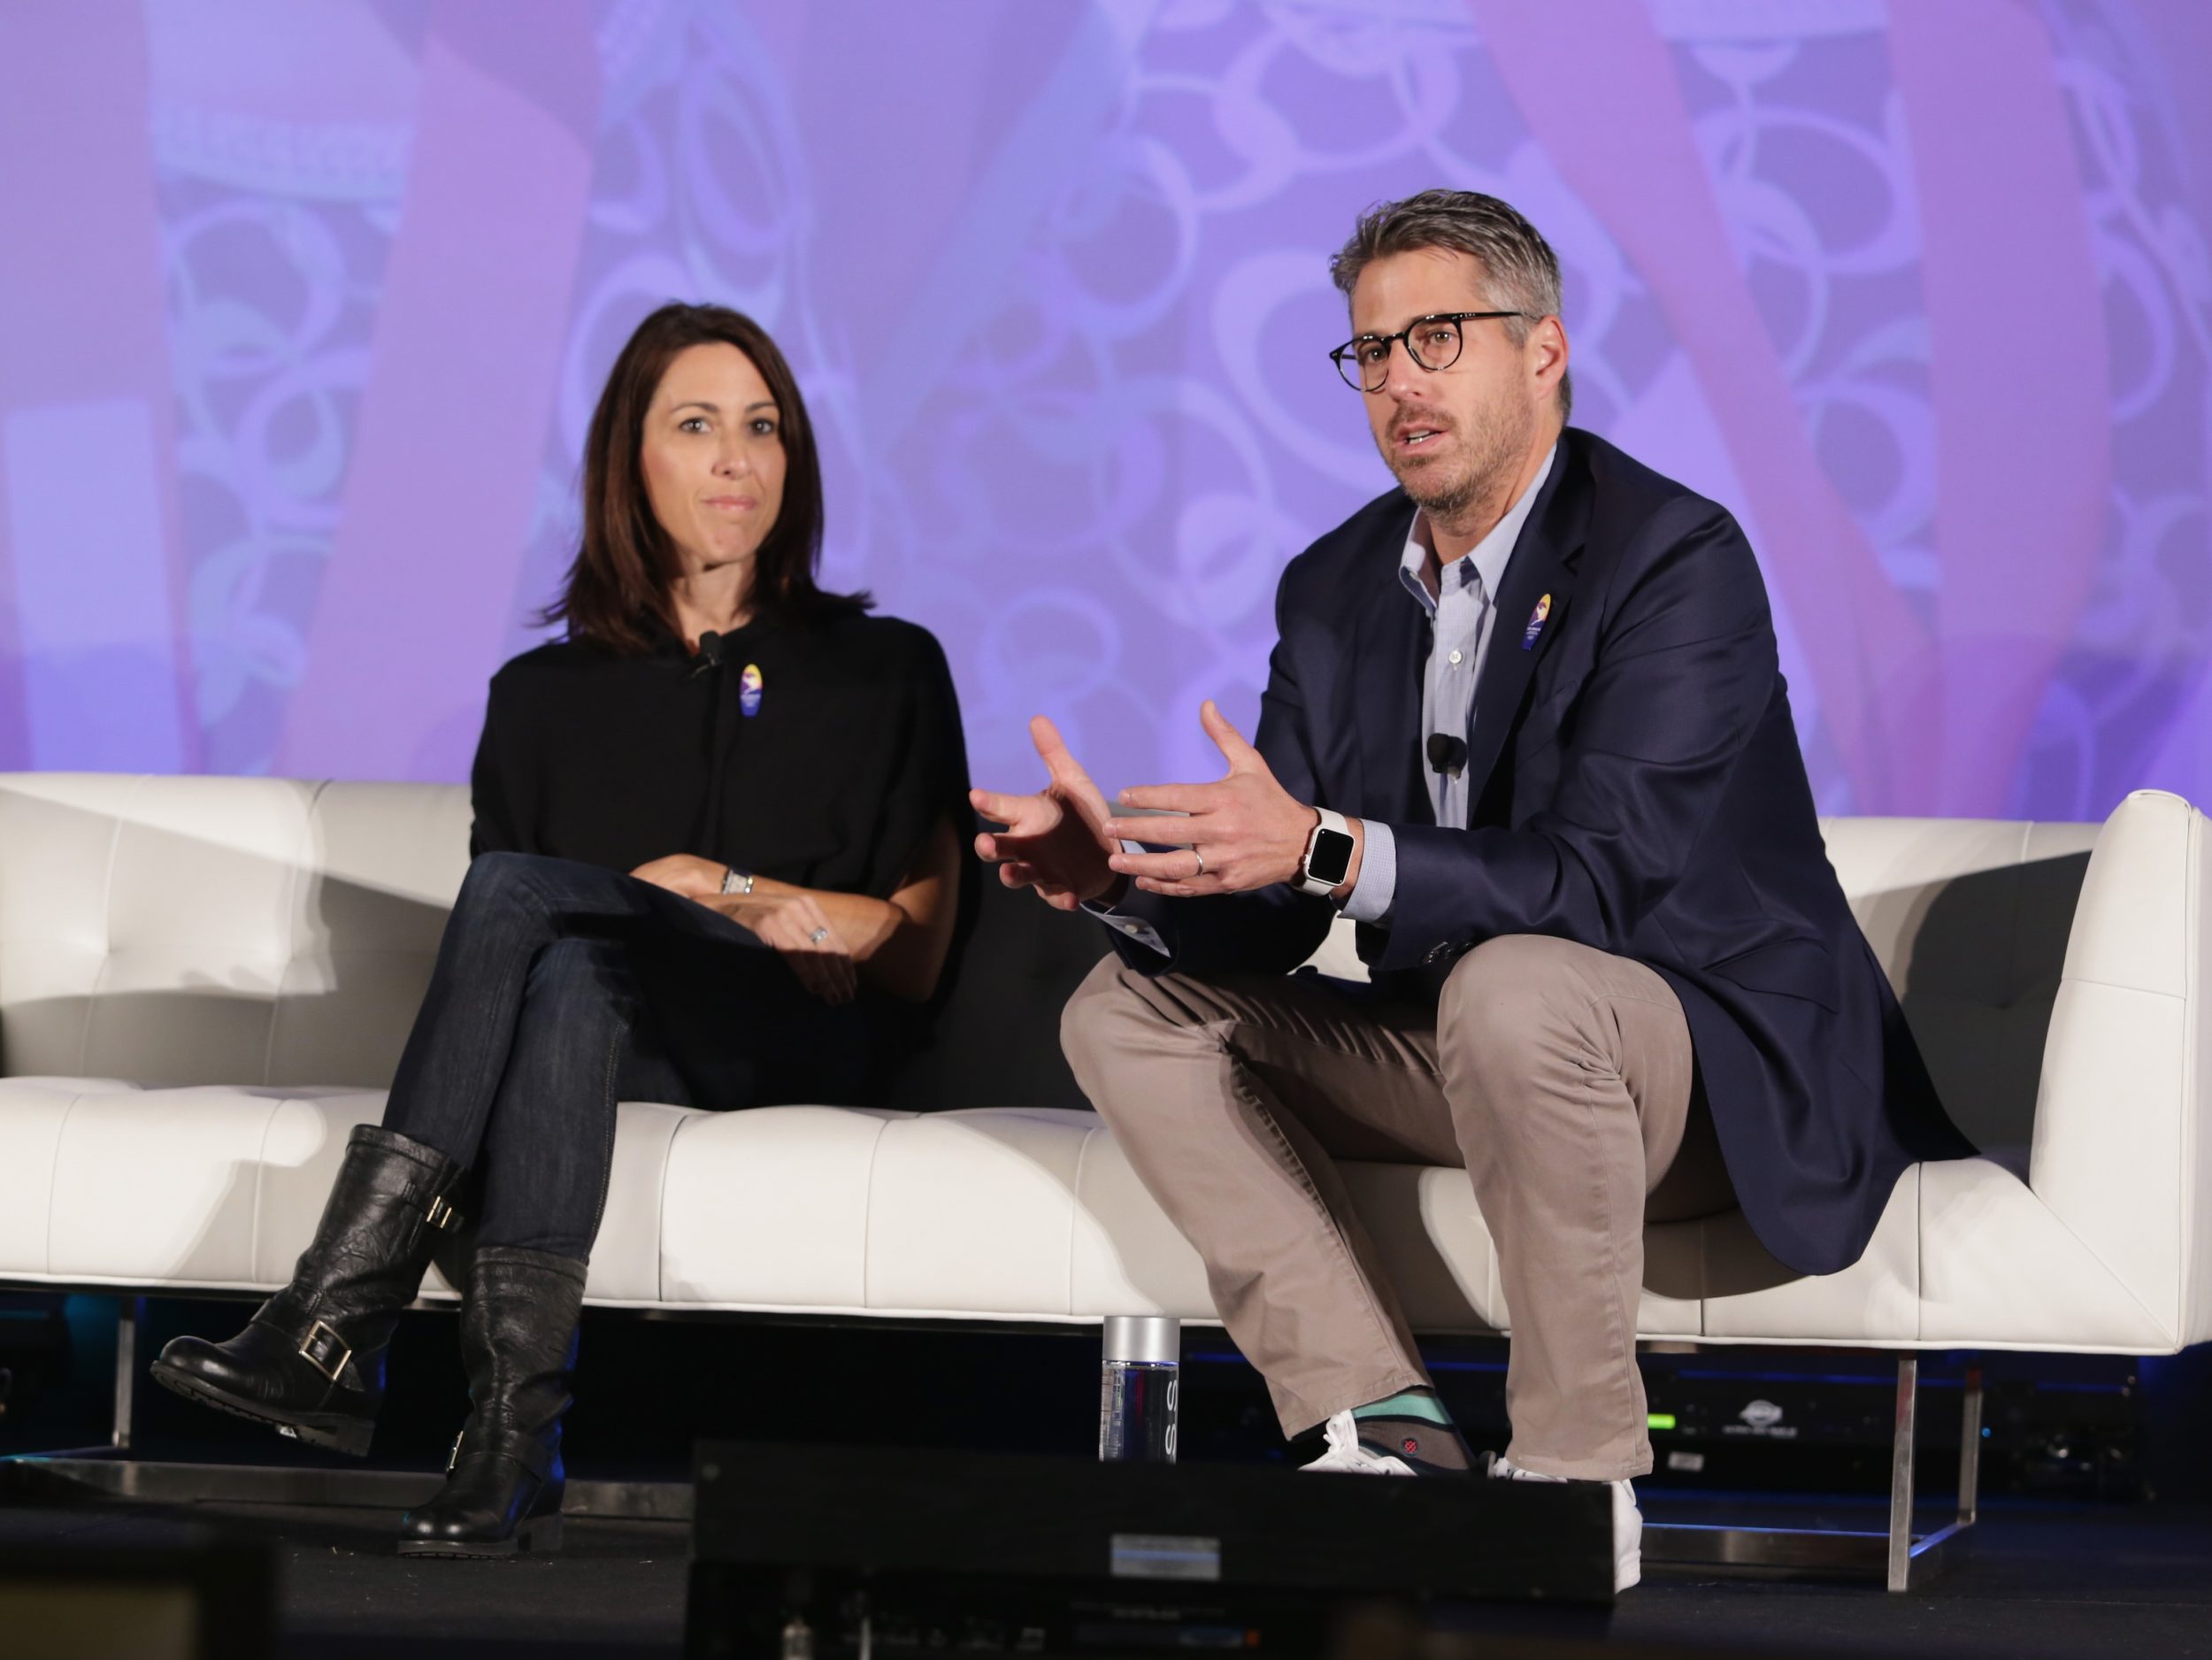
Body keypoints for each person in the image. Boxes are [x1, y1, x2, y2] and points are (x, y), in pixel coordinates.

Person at [972, 190, 1968, 1593]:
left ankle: (1575, 1478)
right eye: (1370, 352)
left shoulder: (1674, 559)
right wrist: (1119, 885)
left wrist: (1326, 847)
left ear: (1545, 350)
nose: (1399, 382)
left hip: (1701, 1062)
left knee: (1515, 984)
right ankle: (1383, 1427)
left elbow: (1603, 880)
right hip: (1471, 1044)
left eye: (1437, 337)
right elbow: (1273, 917)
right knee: (1123, 1012)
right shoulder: (1333, 587)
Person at [152, 303, 974, 1558]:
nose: (735, 462)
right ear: (627, 462)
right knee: (573, 976)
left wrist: (721, 885)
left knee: (524, 898)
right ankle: (510, 1445)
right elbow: (518, 970)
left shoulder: (889, 666)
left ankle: (333, 1320)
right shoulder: (542, 697)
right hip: (610, 1036)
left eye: (763, 429)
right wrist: (704, 898)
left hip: (802, 1033)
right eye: (695, 427)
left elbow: (908, 945)